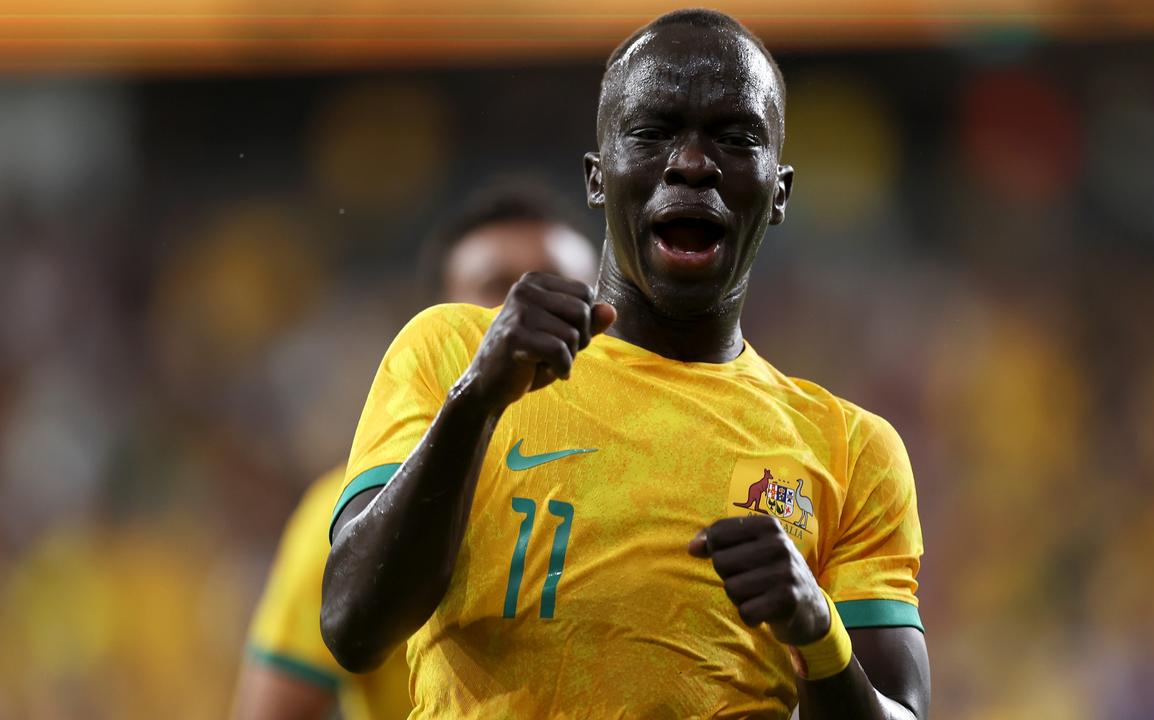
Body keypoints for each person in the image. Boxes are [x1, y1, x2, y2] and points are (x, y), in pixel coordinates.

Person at [322, 9, 930, 719]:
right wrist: (476, 401)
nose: (693, 163)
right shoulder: (453, 352)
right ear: (597, 178)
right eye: (652, 131)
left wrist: (818, 633)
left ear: (780, 193)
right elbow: (354, 629)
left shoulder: (853, 451)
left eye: (735, 138)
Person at [230, 184, 599, 720]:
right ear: (434, 320)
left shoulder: (639, 482)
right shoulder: (346, 517)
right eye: (495, 288)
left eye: (562, 287)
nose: (526, 310)